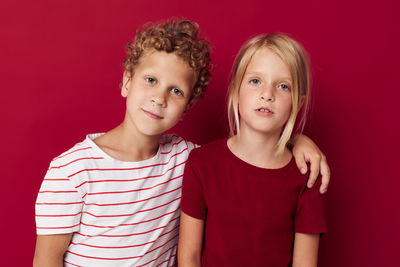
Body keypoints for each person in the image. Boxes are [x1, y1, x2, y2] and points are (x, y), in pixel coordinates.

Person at [34, 19, 329, 266]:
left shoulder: (184, 159)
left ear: (187, 107)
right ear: (126, 82)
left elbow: (250, 157)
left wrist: (299, 142)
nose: (159, 98)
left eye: (175, 91)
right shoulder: (71, 171)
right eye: (150, 80)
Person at [178, 33, 327, 267]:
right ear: (236, 90)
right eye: (256, 81)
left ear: (297, 103)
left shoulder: (307, 176)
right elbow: (189, 258)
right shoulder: (201, 163)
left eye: (283, 86)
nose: (268, 94)